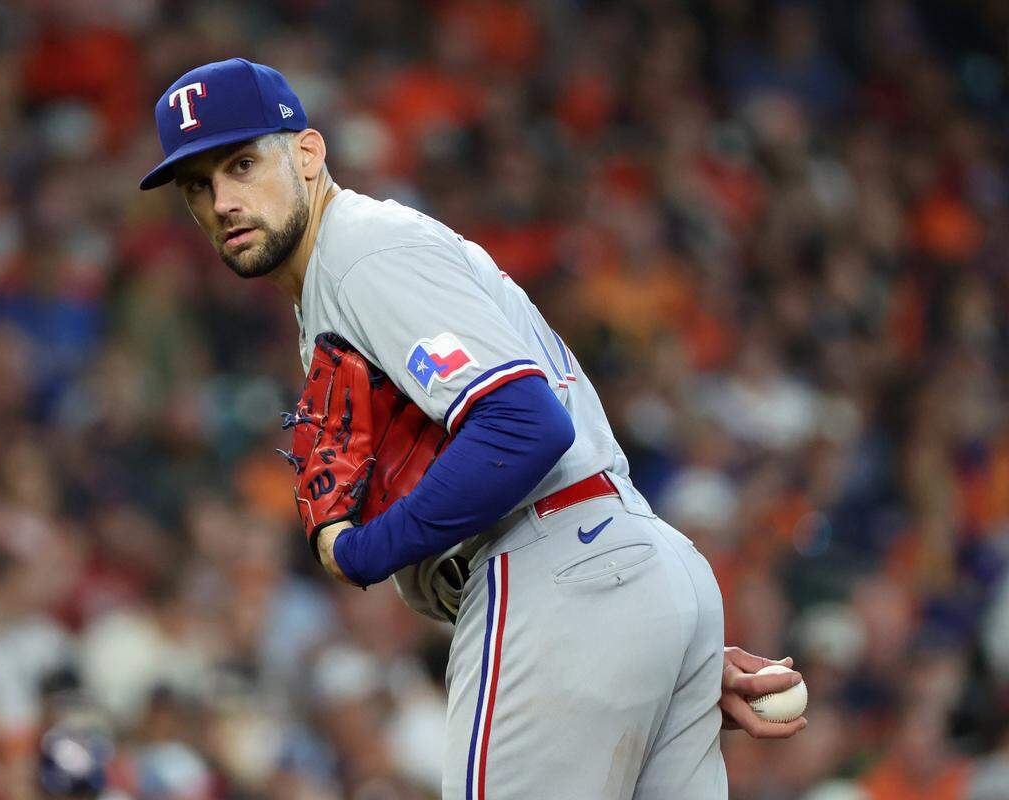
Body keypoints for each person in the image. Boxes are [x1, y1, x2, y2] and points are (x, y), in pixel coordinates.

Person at [140, 58, 806, 799]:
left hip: (556, 574)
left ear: (306, 152)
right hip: (628, 567)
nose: (224, 200)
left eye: (241, 163)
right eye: (198, 186)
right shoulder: (354, 272)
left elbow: (523, 424)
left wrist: (364, 549)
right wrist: (651, 648)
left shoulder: (360, 254)